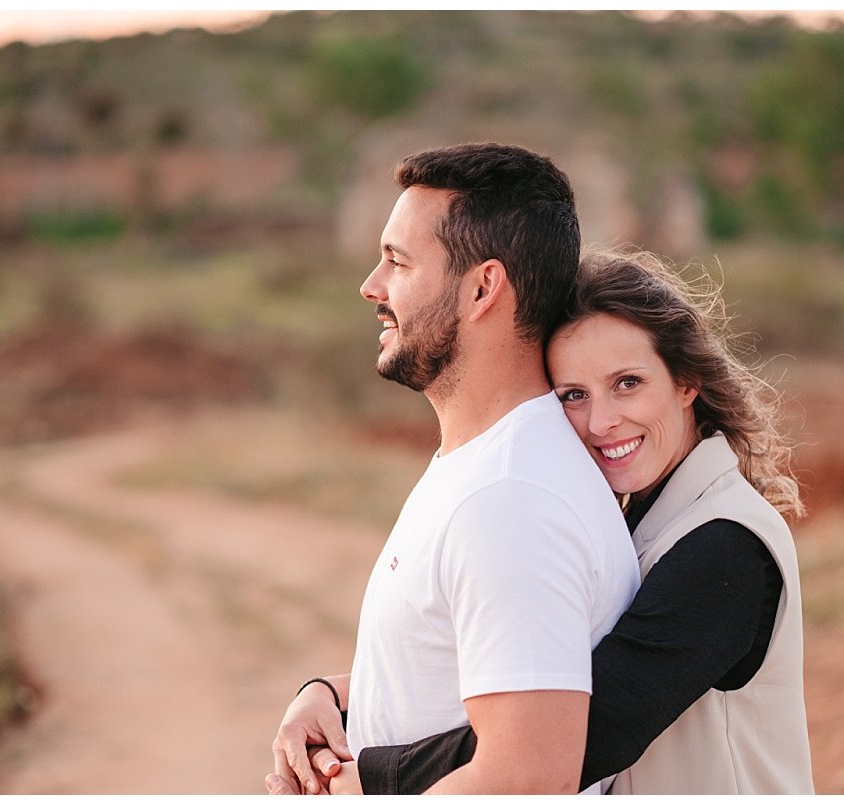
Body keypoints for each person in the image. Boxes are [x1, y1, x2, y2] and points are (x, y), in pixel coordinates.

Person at [306, 246, 815, 794]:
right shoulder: (647, 521)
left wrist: (367, 777)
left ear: (686, 382)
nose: (601, 422)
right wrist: (336, 698)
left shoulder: (724, 546)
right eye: (574, 395)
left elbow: (581, 732)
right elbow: (535, 669)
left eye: (628, 383)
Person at [265, 145, 640, 795]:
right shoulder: (488, 466)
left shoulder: (512, 500)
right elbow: (484, 670)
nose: (371, 286)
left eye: (397, 261)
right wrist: (332, 695)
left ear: (482, 288)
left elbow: (528, 776)